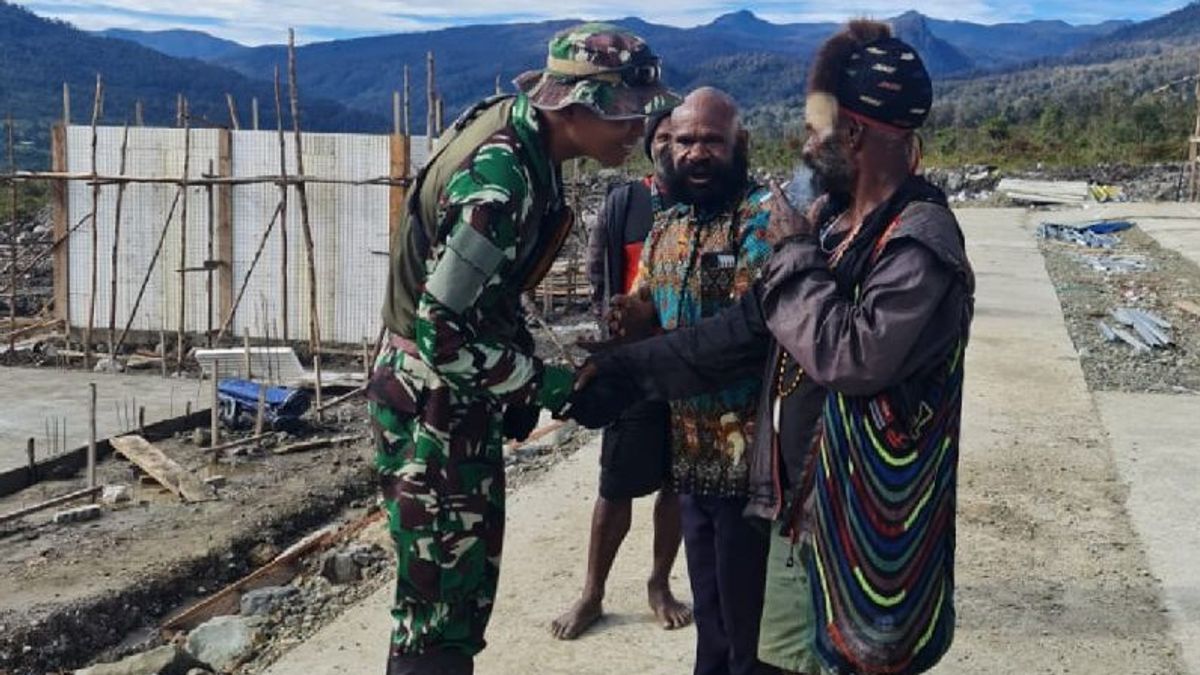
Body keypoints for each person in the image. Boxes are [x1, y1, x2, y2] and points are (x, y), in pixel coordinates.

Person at [569, 20, 975, 675]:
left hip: (867, 530)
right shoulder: (832, 226)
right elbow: (745, 330)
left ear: (855, 134)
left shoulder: (917, 245)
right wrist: (625, 372)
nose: (807, 144)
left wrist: (791, 253)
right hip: (801, 509)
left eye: (817, 129)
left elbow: (851, 356)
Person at [367, 23, 679, 675]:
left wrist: (523, 372)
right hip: (434, 405)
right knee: (439, 610)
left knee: (455, 595)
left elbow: (486, 297)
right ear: (574, 105)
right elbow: (442, 330)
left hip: (455, 395)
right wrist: (554, 388)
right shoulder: (500, 181)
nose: (636, 132)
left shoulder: (526, 142)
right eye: (624, 114)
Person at [607, 87, 779, 675]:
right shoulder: (666, 227)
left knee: (748, 617)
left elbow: (748, 331)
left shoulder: (764, 221)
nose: (696, 153)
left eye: (711, 140)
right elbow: (648, 306)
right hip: (690, 456)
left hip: (753, 464)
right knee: (710, 609)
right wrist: (629, 319)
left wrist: (641, 359)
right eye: (684, 141)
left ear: (740, 144)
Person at [551, 110, 691, 641]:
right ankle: (592, 592)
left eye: (680, 139)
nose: (672, 147)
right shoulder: (625, 203)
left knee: (678, 481)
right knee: (615, 483)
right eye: (663, 138)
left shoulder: (707, 203)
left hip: (689, 365)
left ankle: (659, 583)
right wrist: (611, 327)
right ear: (652, 144)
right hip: (635, 365)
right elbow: (599, 270)